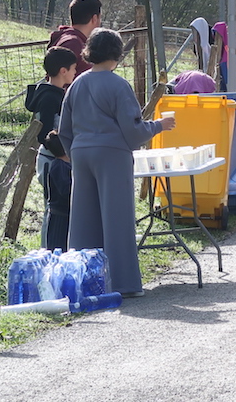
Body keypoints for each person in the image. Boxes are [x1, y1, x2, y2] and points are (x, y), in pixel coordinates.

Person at [59, 28, 176, 297]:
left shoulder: (77, 84)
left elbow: (64, 129)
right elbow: (133, 131)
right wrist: (159, 125)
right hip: (111, 155)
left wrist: (76, 152)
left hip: (81, 153)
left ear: (90, 52)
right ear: (117, 53)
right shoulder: (118, 85)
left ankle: (82, 282)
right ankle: (123, 284)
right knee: (117, 219)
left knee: (83, 221)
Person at [25, 46, 77, 247]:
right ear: (63, 71)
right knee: (51, 208)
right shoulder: (49, 98)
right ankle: (47, 250)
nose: (75, 72)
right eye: (73, 68)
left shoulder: (54, 93)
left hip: (56, 158)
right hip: (51, 159)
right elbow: (43, 133)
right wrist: (62, 154)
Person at [47, 0, 101, 76]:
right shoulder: (73, 44)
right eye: (100, 17)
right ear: (94, 19)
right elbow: (59, 79)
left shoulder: (71, 40)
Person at [42, 131, 71, 251]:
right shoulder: (59, 166)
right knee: (58, 249)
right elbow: (65, 190)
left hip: (66, 214)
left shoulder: (64, 165)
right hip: (60, 216)